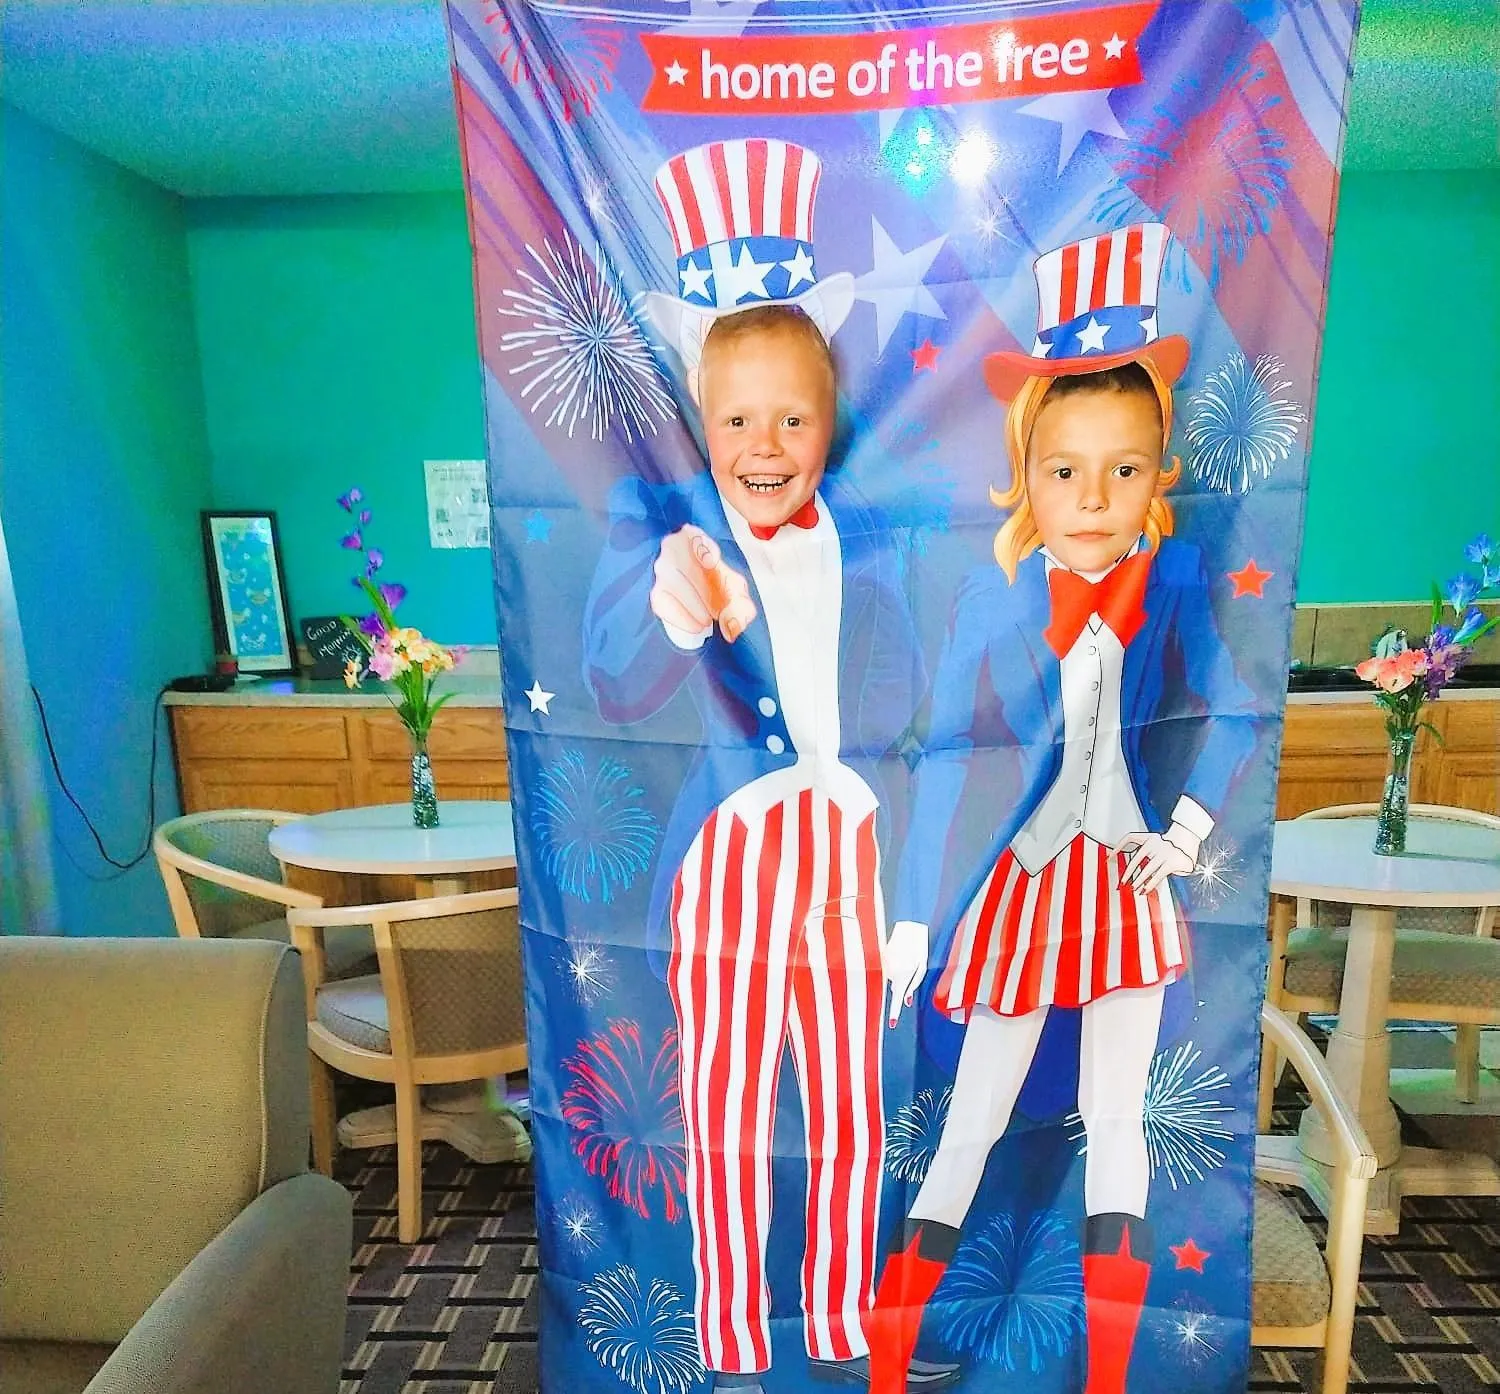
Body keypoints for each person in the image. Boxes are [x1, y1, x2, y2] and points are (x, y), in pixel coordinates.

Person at [866, 223, 1256, 1394]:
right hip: (1025, 886)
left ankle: (1108, 1379)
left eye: (1123, 467)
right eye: (1065, 468)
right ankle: (888, 1373)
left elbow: (1234, 709)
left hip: (1127, 889)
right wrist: (914, 920)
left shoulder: (1177, 581)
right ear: (1024, 476)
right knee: (972, 1122)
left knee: (1118, 1129)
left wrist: (1183, 834)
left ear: (1159, 475)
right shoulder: (993, 605)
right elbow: (942, 758)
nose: (1093, 496)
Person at [585, 138, 943, 1394]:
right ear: (701, 418)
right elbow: (610, 684)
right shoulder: (665, 535)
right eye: (738, 417)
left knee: (850, 1108)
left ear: (830, 417)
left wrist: (909, 906)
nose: (766, 441)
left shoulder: (876, 544)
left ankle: (842, 1320)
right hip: (730, 855)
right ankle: (735, 1337)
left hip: (850, 856)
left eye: (792, 414)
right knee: (731, 1112)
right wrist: (678, 610)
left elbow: (920, 731)